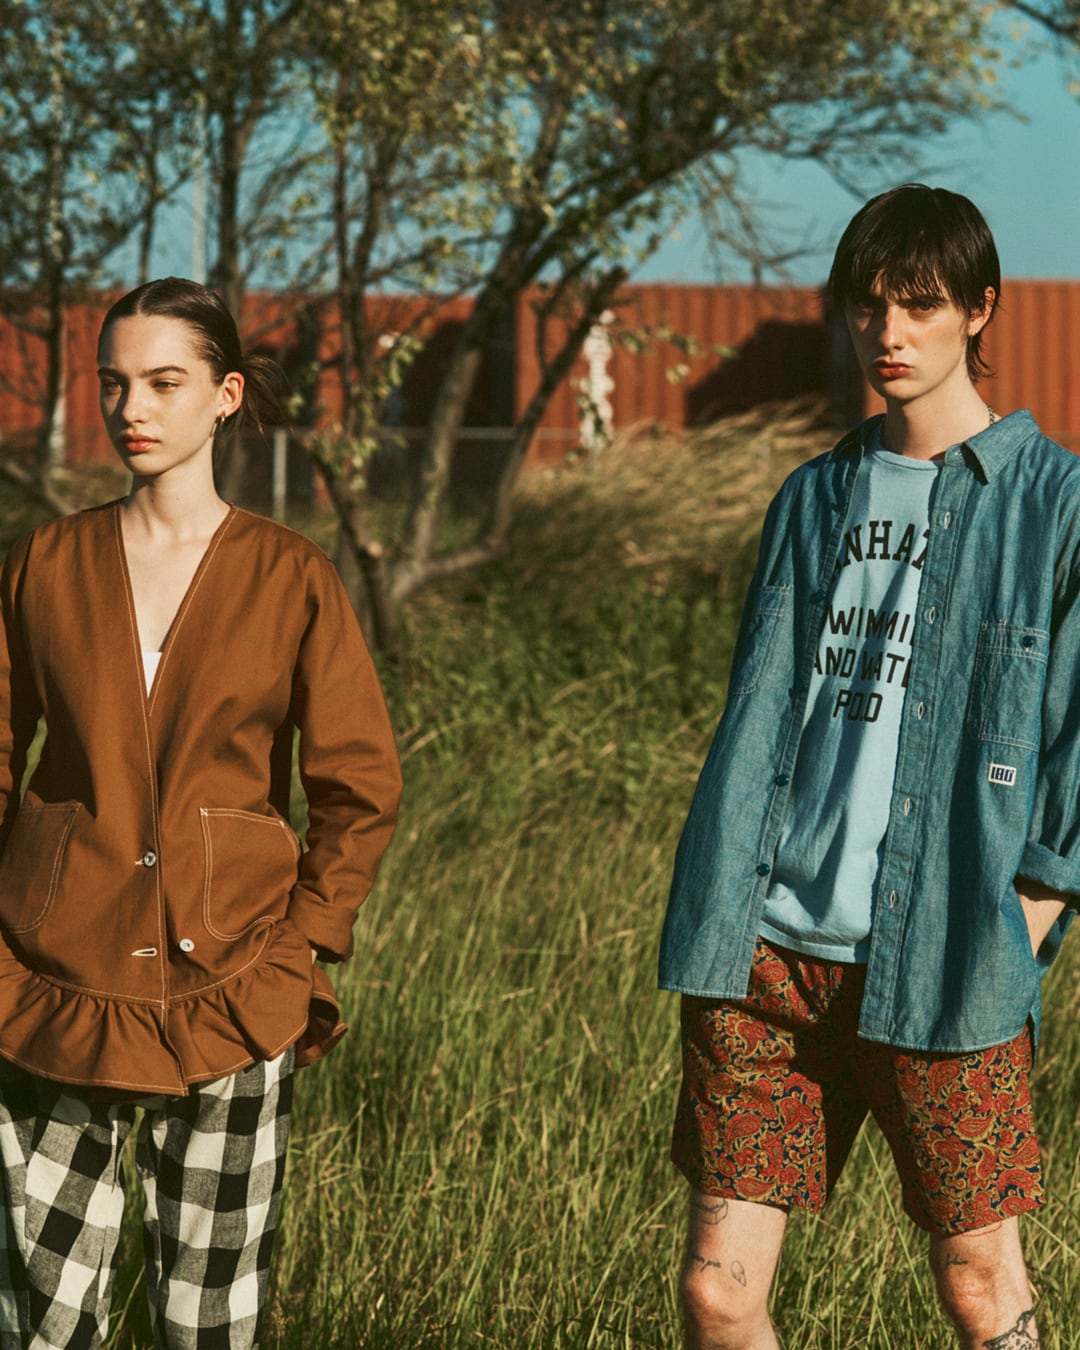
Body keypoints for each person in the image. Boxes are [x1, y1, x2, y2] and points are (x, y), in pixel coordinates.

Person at [658, 185, 1077, 1349]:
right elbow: (764, 712)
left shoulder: (1054, 505)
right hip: (765, 954)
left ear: (979, 310)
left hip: (946, 955)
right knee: (717, 1294)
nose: (888, 332)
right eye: (868, 305)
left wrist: (1029, 915)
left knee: (980, 1289)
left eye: (921, 304)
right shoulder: (813, 496)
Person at [0, 277, 403, 1347]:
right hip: (52, 983)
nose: (131, 408)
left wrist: (303, 944)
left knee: (210, 1319)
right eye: (113, 383)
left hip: (237, 981)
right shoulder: (42, 565)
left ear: (225, 397)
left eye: (163, 383)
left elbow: (359, 785)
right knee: (43, 1321)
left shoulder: (291, 576)